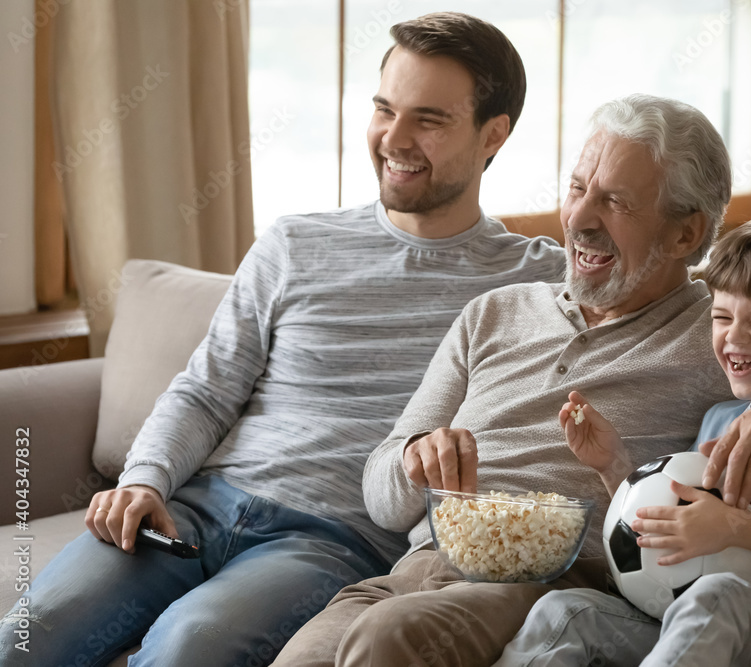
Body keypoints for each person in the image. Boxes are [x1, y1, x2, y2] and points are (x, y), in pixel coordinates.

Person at [272, 95, 751, 667]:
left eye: (615, 200)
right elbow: (384, 496)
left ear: (687, 234)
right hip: (416, 567)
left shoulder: (721, 333)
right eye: (576, 187)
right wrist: (414, 460)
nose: (580, 218)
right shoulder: (493, 313)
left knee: (387, 642)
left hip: (539, 576)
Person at [0, 12, 569, 666]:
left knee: (190, 644)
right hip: (192, 508)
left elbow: (656, 302)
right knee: (31, 631)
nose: (395, 138)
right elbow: (206, 389)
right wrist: (146, 479)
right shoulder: (295, 242)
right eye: (384, 109)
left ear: (493, 134)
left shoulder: (534, 279)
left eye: (430, 119)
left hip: (333, 541)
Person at [497, 214, 751, 666]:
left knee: (718, 598)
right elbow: (679, 511)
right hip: (697, 609)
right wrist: (614, 465)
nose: (734, 337)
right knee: (566, 612)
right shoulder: (719, 418)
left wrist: (732, 527)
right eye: (722, 316)